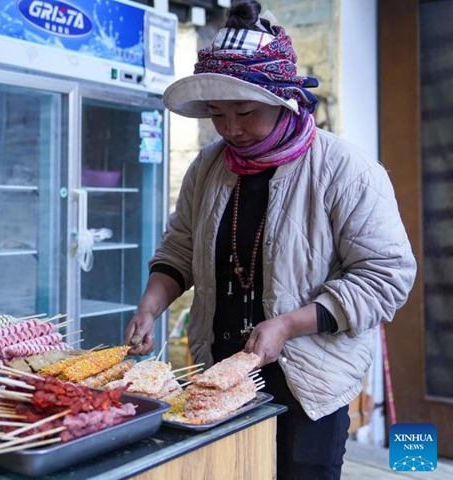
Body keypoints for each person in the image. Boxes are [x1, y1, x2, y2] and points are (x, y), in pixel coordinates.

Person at [123, 2, 417, 479]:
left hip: (308, 383)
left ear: (284, 100)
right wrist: (150, 306)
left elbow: (386, 278)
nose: (231, 128)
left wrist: (288, 325)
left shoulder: (346, 171)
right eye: (217, 114)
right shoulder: (209, 167)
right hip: (220, 374)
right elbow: (179, 248)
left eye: (245, 111)